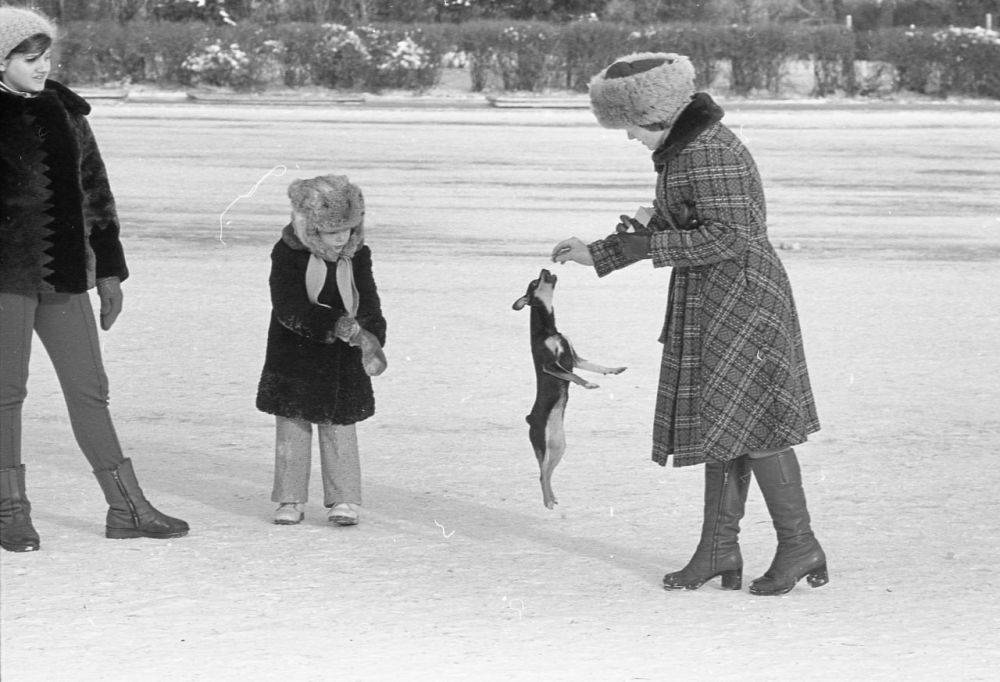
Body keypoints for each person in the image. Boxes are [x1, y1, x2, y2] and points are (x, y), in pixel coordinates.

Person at [551, 52, 826, 596]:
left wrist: (640, 246)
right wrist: (604, 251)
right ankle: (719, 549)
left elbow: (732, 237)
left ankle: (799, 545)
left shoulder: (707, 152)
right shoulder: (684, 149)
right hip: (715, 298)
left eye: (627, 124)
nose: (627, 136)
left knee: (758, 425)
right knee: (726, 424)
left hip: (743, 301)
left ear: (652, 113)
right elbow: (671, 223)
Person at [0, 7, 189, 552]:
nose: (44, 67)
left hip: (63, 273)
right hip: (5, 279)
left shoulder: (66, 111)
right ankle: (10, 512)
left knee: (90, 391)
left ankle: (127, 508)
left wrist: (109, 271)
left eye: (47, 57)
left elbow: (96, 193)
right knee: (6, 395)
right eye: (31, 59)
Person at [256, 175, 386, 527]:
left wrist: (370, 333)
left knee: (339, 426)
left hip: (342, 358)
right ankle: (290, 498)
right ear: (312, 228)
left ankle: (343, 498)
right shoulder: (288, 253)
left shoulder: (357, 255)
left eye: (348, 228)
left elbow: (368, 298)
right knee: (293, 428)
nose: (342, 237)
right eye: (333, 231)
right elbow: (287, 305)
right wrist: (331, 325)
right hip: (295, 354)